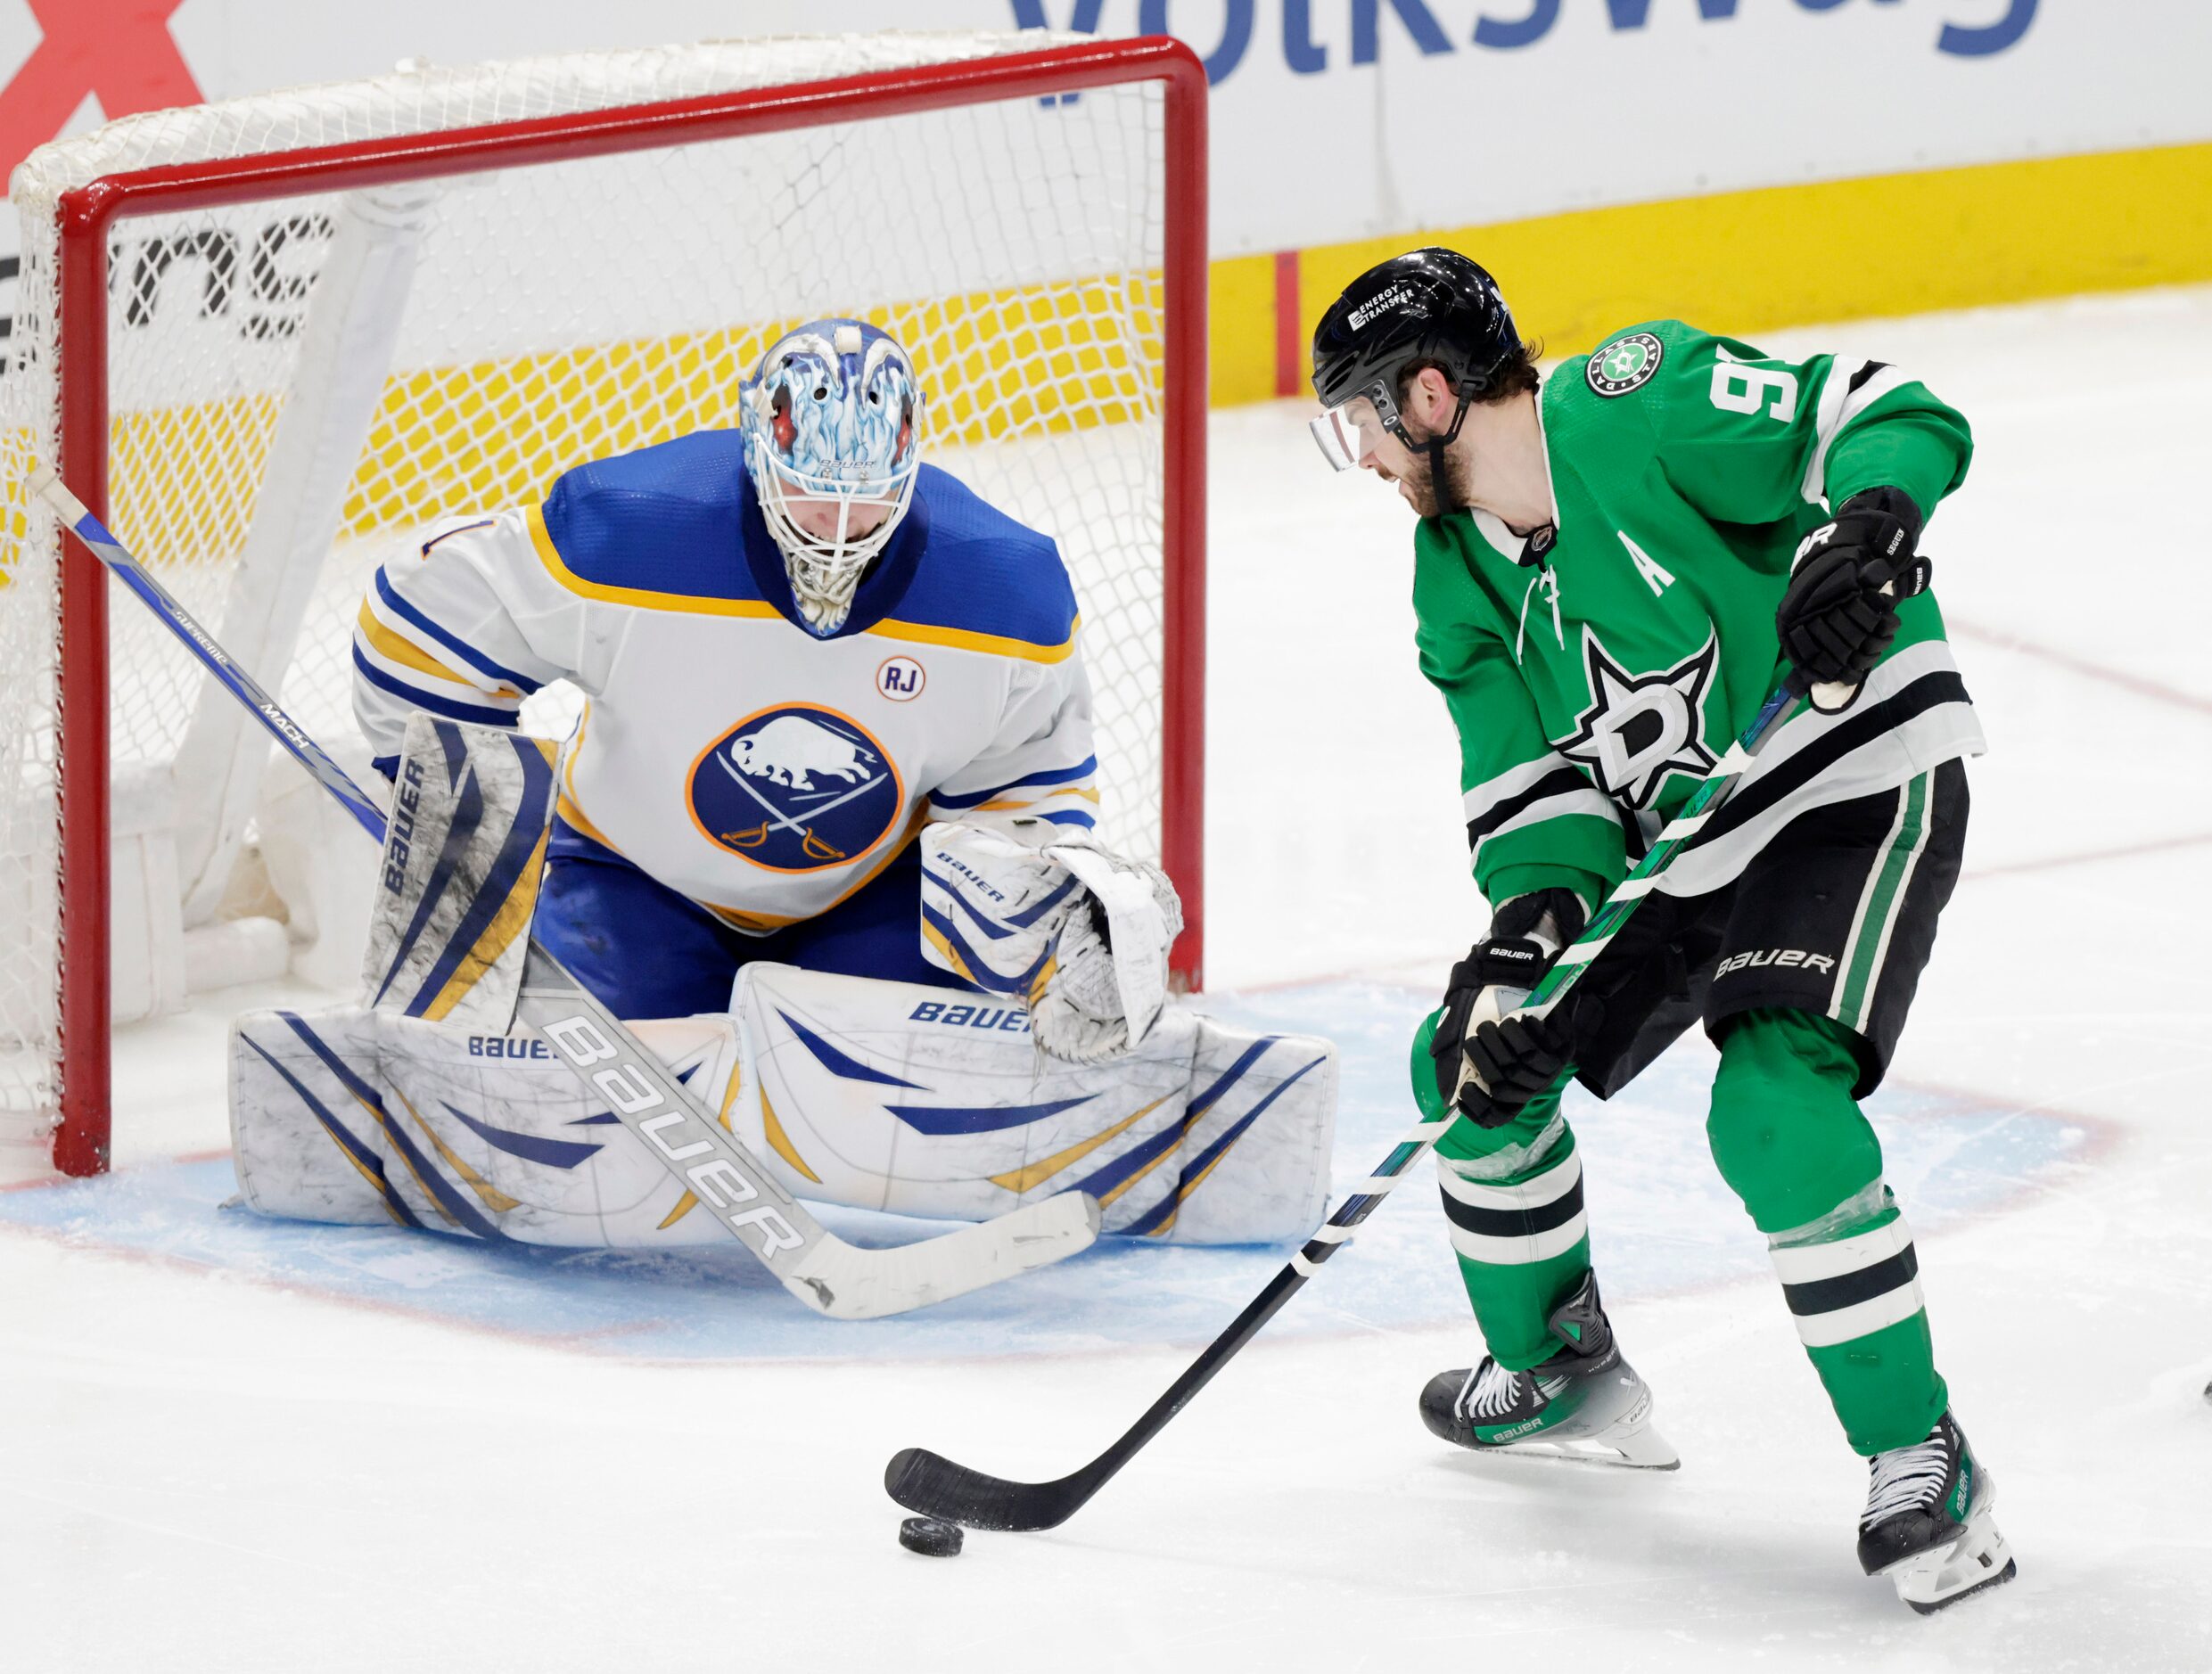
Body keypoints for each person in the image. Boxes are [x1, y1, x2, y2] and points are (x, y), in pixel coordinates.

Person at [1308, 249, 2013, 1613]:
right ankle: (1558, 1365)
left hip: (1846, 773)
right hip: (1682, 848)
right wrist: (1527, 942)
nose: (1370, 453)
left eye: (1369, 417)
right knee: (1462, 1058)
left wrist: (1865, 525)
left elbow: (1896, 406)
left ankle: (1923, 1454)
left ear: (1434, 395)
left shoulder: (1638, 398)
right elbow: (1535, 801)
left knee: (1769, 1105)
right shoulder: (1450, 572)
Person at [349, 317, 1148, 1038]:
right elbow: (420, 622)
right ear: (758, 450)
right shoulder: (632, 528)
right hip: (633, 878)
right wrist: (448, 816)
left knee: (945, 1045)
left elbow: (1025, 793)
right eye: (813, 493)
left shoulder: (1006, 591)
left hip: (874, 897)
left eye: (865, 500)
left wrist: (1038, 941)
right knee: (567, 1054)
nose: (837, 529)